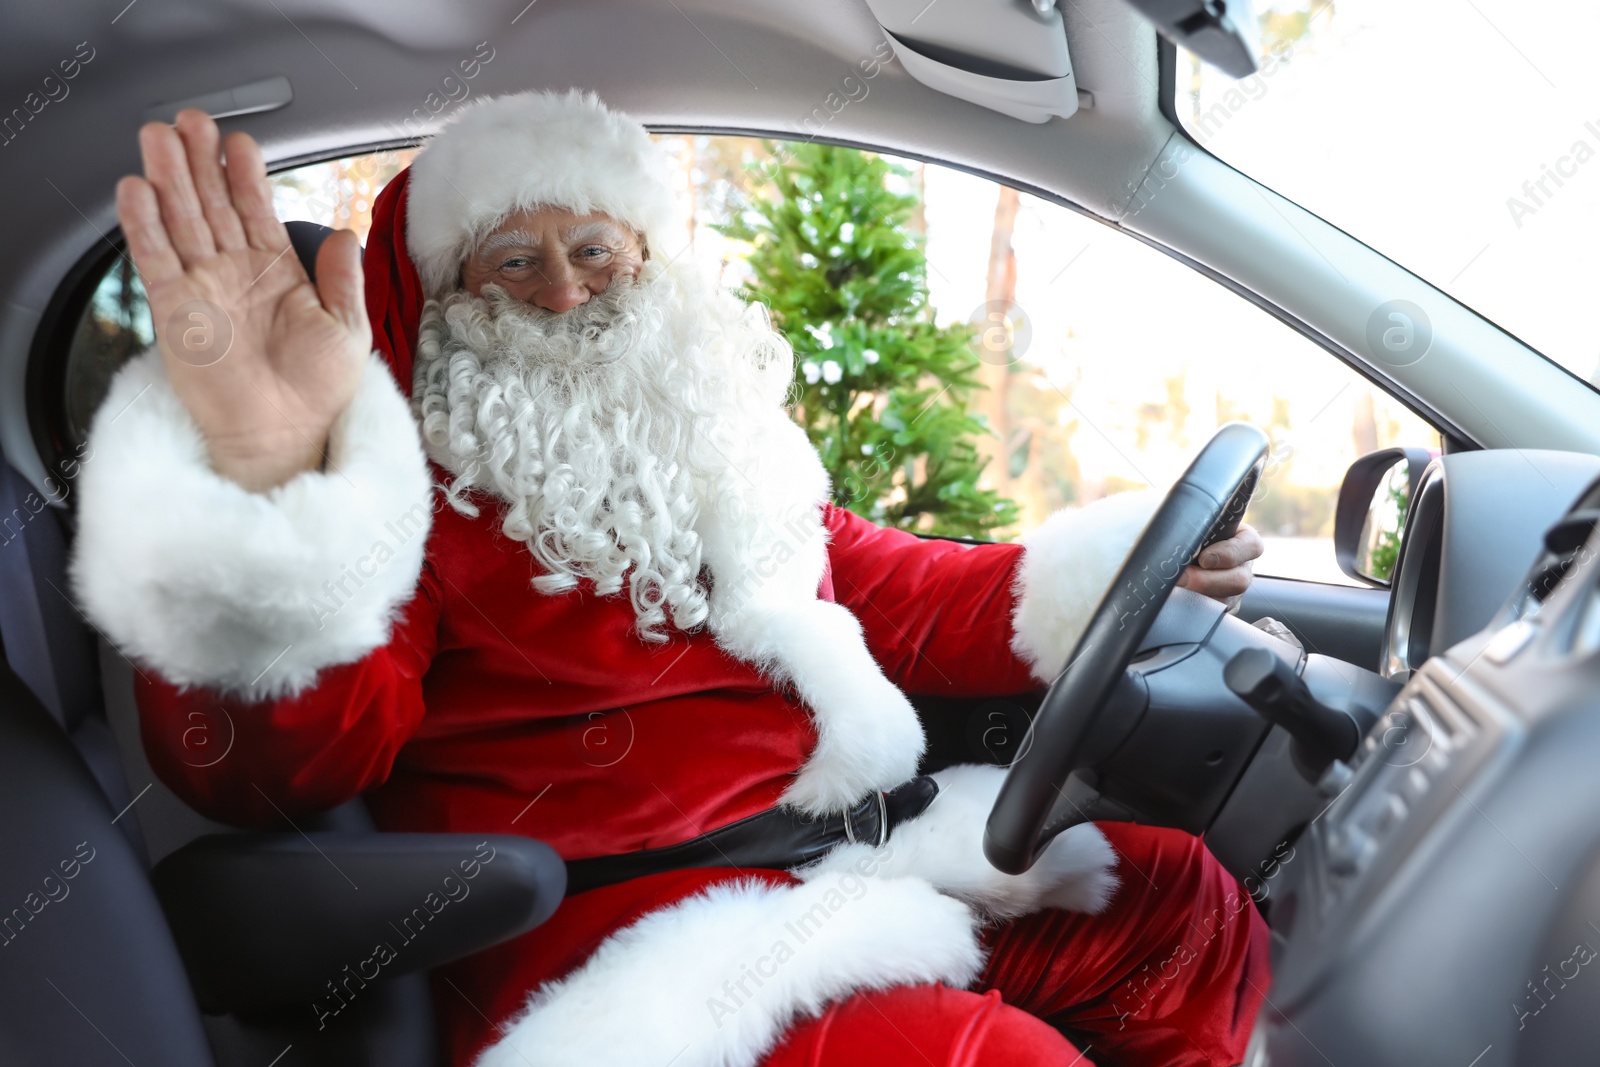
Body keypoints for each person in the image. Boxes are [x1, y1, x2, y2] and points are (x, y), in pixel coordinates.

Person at [70, 88, 1269, 1067]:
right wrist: (283, 494)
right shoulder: (410, 506)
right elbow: (277, 768)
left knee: (1182, 905)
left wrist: (1124, 569)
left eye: (592, 248)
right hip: (632, 945)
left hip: (845, 860)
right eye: (512, 262)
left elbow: (904, 592)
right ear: (449, 301)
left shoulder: (717, 451)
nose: (564, 288)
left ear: (644, 257)